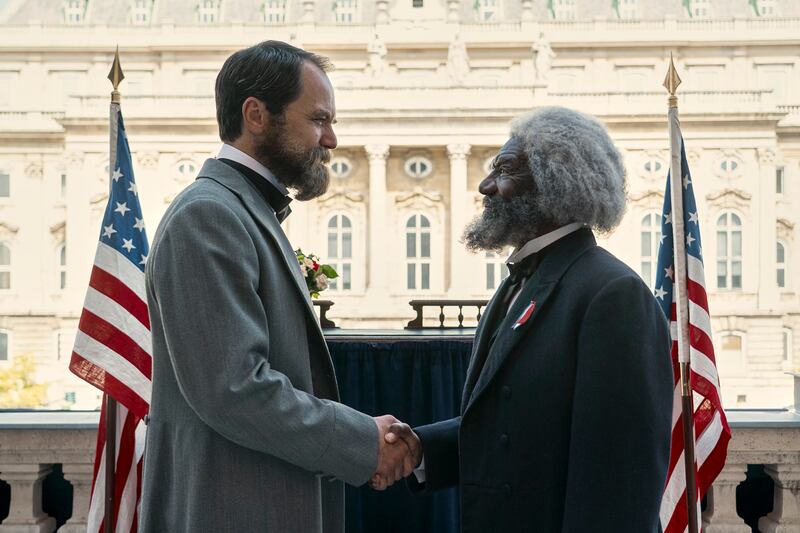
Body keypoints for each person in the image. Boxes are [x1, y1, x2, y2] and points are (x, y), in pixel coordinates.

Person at [140, 41, 412, 533]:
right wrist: (362, 441)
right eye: (319, 120)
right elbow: (234, 388)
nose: (330, 139)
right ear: (256, 114)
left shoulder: (240, 210)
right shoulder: (208, 215)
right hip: (231, 511)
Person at [385, 107, 674, 533]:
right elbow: (516, 422)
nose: (486, 186)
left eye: (504, 171)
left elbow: (617, 481)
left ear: (556, 183)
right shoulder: (522, 279)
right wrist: (422, 448)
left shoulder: (613, 295)